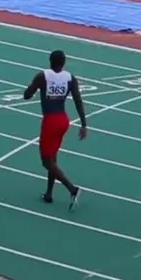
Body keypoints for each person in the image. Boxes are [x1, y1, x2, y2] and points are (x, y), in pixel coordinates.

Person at [23, 49, 86, 210]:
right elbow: (78, 101)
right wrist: (84, 124)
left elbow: (27, 95)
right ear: (64, 63)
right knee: (53, 158)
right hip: (63, 120)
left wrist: (32, 88)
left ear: (50, 61)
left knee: (46, 161)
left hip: (50, 121)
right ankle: (49, 194)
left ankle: (72, 189)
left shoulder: (43, 76)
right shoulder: (70, 78)